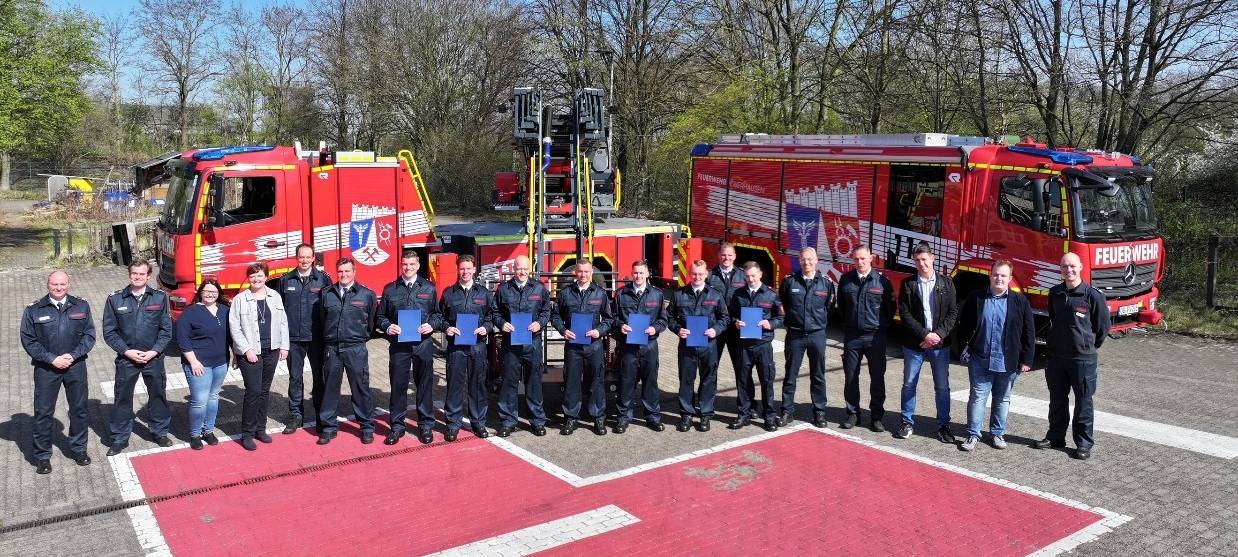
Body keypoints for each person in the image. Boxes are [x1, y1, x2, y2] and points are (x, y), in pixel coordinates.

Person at [20, 270, 95, 473]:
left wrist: (72, 356)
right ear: (48, 285)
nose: (59, 288)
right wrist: (52, 359)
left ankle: (78, 449)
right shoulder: (34, 309)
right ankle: (42, 456)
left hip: (75, 366)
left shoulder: (81, 305)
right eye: (55, 284)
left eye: (62, 284)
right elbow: (29, 340)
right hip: (46, 368)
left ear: (68, 284)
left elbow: (89, 336)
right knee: (43, 412)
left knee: (79, 409)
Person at [957, 259, 1036, 452]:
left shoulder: (1019, 301)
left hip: (1007, 362)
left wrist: (1026, 359)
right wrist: (963, 349)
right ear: (990, 276)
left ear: (1010, 278)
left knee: (1002, 399)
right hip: (980, 359)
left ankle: (997, 433)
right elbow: (963, 325)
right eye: (995, 274)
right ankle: (973, 434)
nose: (999, 278)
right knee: (977, 398)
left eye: (1003, 275)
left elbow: (1029, 332)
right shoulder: (976, 297)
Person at [1038, 252, 1110, 460]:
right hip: (1057, 357)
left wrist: (1086, 345)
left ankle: (1083, 443)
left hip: (1082, 359)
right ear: (1060, 270)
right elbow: (1052, 318)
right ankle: (1055, 437)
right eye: (1064, 267)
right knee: (1057, 400)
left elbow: (1102, 327)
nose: (1068, 270)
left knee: (1083, 402)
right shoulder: (1055, 293)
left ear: (1080, 268)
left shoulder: (1093, 295)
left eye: (1072, 266)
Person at [103, 259, 174, 456]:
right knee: (122, 398)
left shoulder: (159, 298)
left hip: (153, 358)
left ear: (148, 276)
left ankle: (159, 432)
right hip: (127, 358)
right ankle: (119, 438)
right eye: (134, 273)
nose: (138, 277)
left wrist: (154, 351)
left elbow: (166, 331)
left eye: (142, 274)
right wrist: (126, 351)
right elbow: (109, 332)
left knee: (158, 395)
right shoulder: (115, 299)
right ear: (129, 274)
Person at [895, 242, 959, 442]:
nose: (921, 263)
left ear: (932, 259)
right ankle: (907, 422)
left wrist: (937, 335)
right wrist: (925, 335)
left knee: (942, 387)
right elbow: (905, 314)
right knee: (909, 384)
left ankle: (943, 426)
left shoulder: (946, 283)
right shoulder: (908, 284)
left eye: (925, 259)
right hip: (915, 344)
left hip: (940, 345)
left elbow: (953, 313)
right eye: (917, 260)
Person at [376, 249, 439, 445]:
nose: (408, 268)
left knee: (424, 386)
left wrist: (432, 325)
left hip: (423, 344)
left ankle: (426, 426)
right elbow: (380, 317)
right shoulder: (390, 289)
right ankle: (397, 426)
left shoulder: (429, 288)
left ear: (418, 265)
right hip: (399, 346)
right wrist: (388, 326)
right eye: (405, 264)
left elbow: (437, 315)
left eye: (412, 264)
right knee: (398, 386)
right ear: (400, 265)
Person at [434, 254, 497, 441]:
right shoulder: (448, 293)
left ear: (474, 270)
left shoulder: (484, 294)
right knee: (454, 385)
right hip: (456, 348)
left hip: (477, 347)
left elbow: (492, 316)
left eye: (468, 268)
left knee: (477, 386)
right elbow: (439, 317)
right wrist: (447, 328)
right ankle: (453, 424)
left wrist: (485, 328)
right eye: (462, 268)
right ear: (457, 269)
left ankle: (478, 423)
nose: (465, 272)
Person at [317, 257, 378, 445]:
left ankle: (366, 426)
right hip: (332, 349)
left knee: (360, 389)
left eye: (347, 271)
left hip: (356, 348)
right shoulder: (327, 293)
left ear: (354, 272)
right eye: (341, 271)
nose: (344, 275)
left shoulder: (366, 294)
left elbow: (371, 324)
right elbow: (322, 320)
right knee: (329, 389)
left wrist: (358, 338)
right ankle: (328, 427)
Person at [229, 263, 290, 451]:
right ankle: (247, 433)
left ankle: (260, 429)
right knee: (253, 391)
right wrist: (246, 350)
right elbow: (235, 327)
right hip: (250, 352)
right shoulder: (240, 299)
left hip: (271, 349)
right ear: (248, 278)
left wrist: (284, 346)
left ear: (266, 277)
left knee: (264, 391)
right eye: (253, 276)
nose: (256, 279)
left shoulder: (275, 296)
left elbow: (283, 322)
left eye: (260, 276)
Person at [551, 260, 613, 436]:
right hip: (573, 347)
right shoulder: (565, 294)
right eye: (580, 272)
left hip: (594, 346)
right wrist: (563, 330)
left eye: (586, 272)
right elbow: (555, 316)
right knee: (571, 382)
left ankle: (598, 417)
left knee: (596, 382)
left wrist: (599, 331)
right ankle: (570, 417)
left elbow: (609, 319)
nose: (583, 275)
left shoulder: (600, 294)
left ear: (591, 273)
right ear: (574, 273)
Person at [836, 246, 895, 431]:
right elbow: (842, 307)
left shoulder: (883, 282)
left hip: (875, 337)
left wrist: (878, 326)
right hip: (853, 336)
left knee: (877, 377)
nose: (859, 262)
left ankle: (876, 417)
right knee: (851, 376)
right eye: (856, 259)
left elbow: (890, 310)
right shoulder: (846, 280)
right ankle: (853, 414)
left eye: (863, 258)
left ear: (871, 258)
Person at [274, 243, 330, 434]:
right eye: (301, 257)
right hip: (293, 339)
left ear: (313, 258)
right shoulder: (285, 280)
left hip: (316, 338)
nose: (304, 260)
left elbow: (330, 309)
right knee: (295, 378)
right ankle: (296, 415)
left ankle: (321, 416)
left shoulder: (323, 279)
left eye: (308, 257)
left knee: (319, 378)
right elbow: (279, 312)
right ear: (296, 258)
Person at [494, 255, 552, 437]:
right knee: (509, 382)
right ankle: (508, 421)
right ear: (514, 268)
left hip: (532, 343)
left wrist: (540, 323)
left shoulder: (539, 289)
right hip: (511, 344)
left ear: (530, 269)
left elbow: (546, 310)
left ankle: (537, 420)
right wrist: (502, 324)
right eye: (519, 268)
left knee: (533, 382)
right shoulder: (503, 290)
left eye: (525, 269)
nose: (522, 272)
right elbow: (494, 312)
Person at [667, 260, 729, 432]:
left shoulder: (715, 295)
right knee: (686, 380)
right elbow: (669, 318)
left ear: (706, 275)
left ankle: (705, 414)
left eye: (701, 274)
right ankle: (686, 414)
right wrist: (678, 329)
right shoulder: (679, 294)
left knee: (708, 380)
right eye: (694, 273)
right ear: (689, 274)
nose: (697, 277)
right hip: (687, 346)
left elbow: (725, 319)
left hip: (709, 346)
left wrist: (715, 330)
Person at [778, 247, 834, 428]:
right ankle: (787, 411)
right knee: (790, 375)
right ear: (799, 261)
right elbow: (784, 303)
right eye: (803, 259)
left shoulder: (826, 283)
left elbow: (829, 309)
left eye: (810, 259)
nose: (806, 262)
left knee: (818, 375)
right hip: (795, 335)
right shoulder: (789, 281)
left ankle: (819, 412)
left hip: (817, 335)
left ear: (817, 260)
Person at [612, 259, 667, 433]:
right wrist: (621, 326)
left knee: (650, 383)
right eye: (635, 272)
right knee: (626, 382)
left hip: (649, 346)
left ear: (647, 274)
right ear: (632, 273)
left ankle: (652, 417)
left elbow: (663, 320)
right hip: (628, 347)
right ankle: (623, 418)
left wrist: (654, 328)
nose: (638, 276)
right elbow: (612, 318)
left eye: (641, 273)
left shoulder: (657, 295)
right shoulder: (621, 293)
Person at [728, 262, 784, 432]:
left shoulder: (771, 295)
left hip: (763, 345)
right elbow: (730, 316)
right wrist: (736, 323)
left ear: (760, 274)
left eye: (753, 275)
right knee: (743, 381)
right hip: (744, 345)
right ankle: (743, 414)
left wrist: (770, 323)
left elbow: (781, 318)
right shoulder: (738, 294)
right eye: (747, 276)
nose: (750, 279)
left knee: (766, 381)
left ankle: (769, 416)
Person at [177, 280, 230, 450]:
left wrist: (235, 354)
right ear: (200, 292)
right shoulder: (190, 313)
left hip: (221, 362)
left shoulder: (225, 310)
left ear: (218, 293)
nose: (210, 294)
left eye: (214, 292)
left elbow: (232, 335)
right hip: (199, 364)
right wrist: (193, 361)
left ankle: (208, 430)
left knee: (213, 397)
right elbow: (182, 340)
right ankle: (195, 434)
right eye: (206, 291)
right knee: (199, 401)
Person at [707, 243, 745, 404]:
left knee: (741, 367)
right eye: (723, 255)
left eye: (730, 255)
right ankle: (707, 403)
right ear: (718, 256)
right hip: (716, 328)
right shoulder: (710, 276)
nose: (726, 258)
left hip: (737, 328)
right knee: (711, 366)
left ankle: (746, 405)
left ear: (735, 257)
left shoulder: (743, 276)